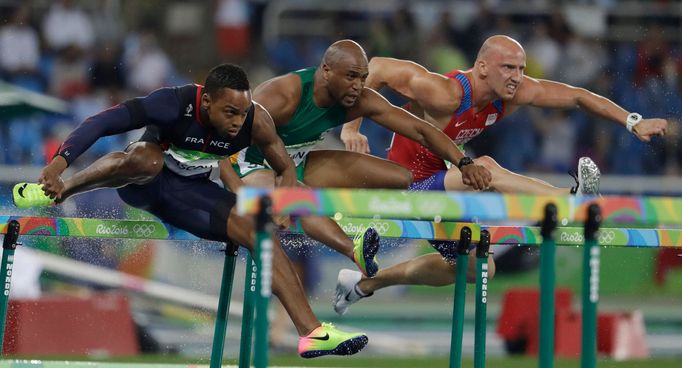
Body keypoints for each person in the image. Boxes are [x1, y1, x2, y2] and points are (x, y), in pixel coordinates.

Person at [12, 64, 367, 358]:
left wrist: (286, 201)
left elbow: (285, 167)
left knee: (261, 233)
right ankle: (55, 192)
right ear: (207, 101)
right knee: (144, 158)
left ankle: (312, 332)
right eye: (230, 112)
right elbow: (103, 122)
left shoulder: (254, 121)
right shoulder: (172, 103)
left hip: (191, 195)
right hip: (147, 184)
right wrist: (59, 166)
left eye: (242, 113)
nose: (237, 122)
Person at [333, 35, 669, 315]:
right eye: (508, 67)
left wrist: (632, 121)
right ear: (482, 67)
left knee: (480, 266)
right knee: (486, 168)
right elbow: (375, 67)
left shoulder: (513, 94)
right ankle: (568, 201)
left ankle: (362, 285)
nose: (517, 76)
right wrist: (352, 126)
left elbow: (578, 96)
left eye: (521, 68)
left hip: (439, 182)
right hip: (406, 185)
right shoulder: (445, 93)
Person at [230, 39, 491, 277]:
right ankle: (353, 247)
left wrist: (463, 162)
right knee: (297, 195)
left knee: (402, 177)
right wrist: (236, 191)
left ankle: (441, 236)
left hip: (297, 162)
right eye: (351, 77)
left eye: (363, 78)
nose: (358, 86)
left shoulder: (359, 98)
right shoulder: (281, 96)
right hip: (252, 165)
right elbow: (225, 141)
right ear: (326, 70)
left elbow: (421, 130)